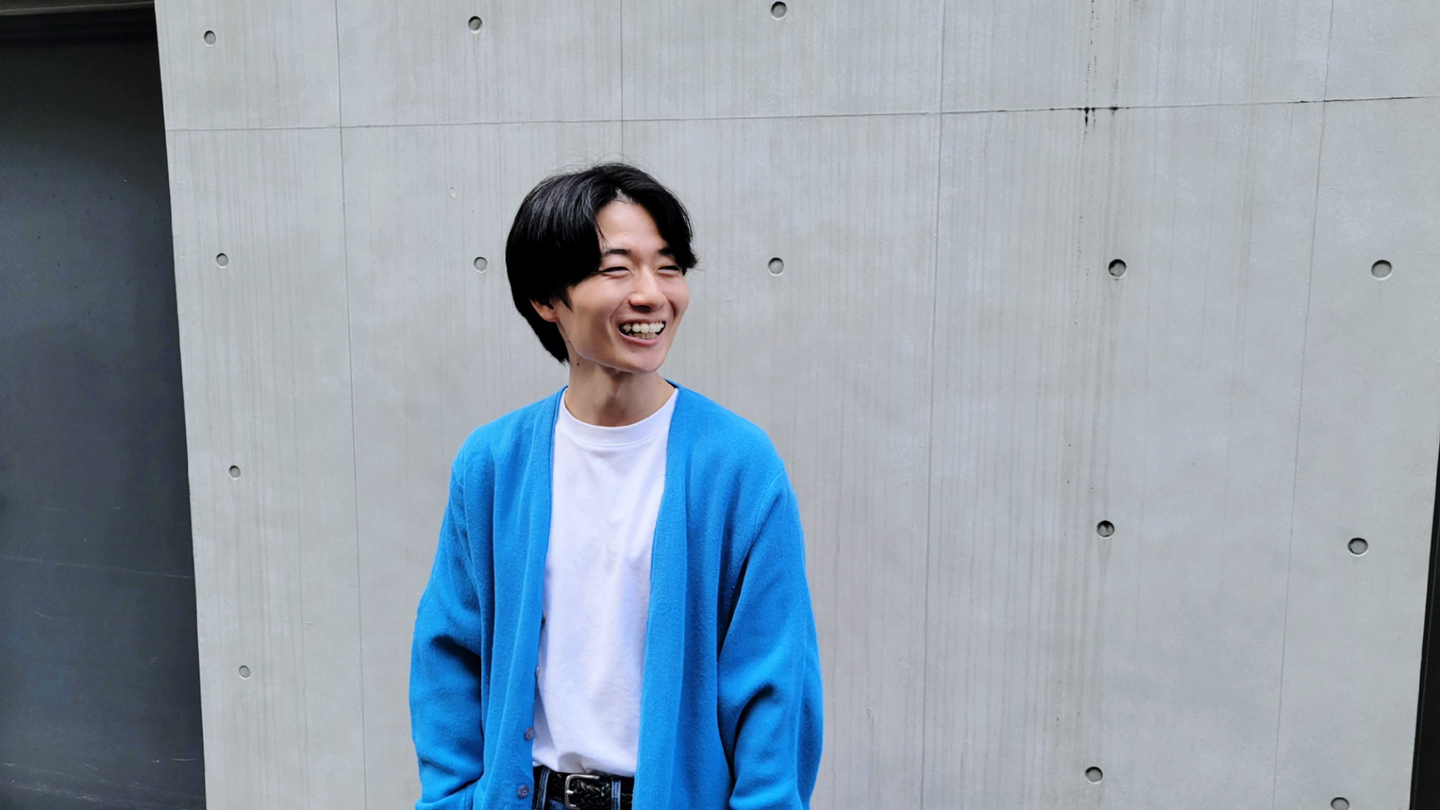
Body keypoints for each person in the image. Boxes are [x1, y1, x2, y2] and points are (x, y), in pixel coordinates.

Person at [409, 162, 824, 810]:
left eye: (668, 267)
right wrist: (453, 800)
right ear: (546, 299)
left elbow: (774, 687)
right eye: (617, 270)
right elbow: (449, 656)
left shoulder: (739, 467)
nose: (652, 294)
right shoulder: (493, 464)